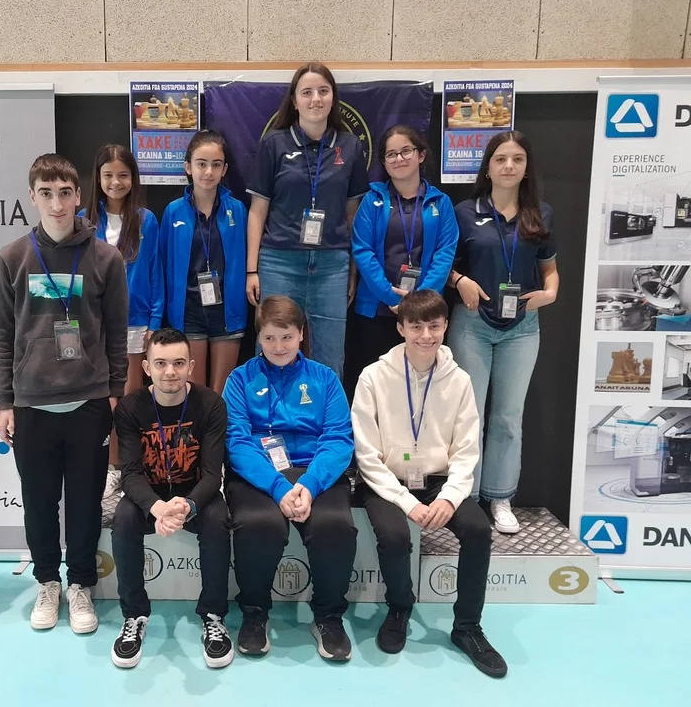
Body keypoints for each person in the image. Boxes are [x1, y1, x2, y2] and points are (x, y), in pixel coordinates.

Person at [0, 154, 128, 634]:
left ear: (78, 197)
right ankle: (47, 582)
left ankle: (81, 584)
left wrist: (114, 391)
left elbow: (117, 331)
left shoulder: (106, 259)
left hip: (89, 401)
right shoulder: (12, 257)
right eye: (46, 193)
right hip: (31, 403)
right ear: (33, 197)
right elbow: (3, 334)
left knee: (86, 503)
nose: (56, 203)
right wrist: (4, 400)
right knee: (39, 502)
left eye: (65, 193)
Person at [351, 290, 506, 678]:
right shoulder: (373, 377)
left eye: (434, 326)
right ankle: (399, 608)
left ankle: (467, 627)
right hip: (385, 482)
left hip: (438, 481)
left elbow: (467, 449)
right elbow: (366, 454)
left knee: (478, 530)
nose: (426, 336)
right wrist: (407, 503)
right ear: (400, 328)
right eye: (416, 326)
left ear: (445, 327)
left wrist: (450, 498)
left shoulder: (460, 380)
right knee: (395, 536)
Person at [223, 295, 356, 662]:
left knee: (335, 525)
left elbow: (338, 439)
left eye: (286, 337)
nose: (278, 346)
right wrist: (279, 487)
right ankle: (254, 613)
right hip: (261, 474)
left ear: (301, 334)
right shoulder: (239, 380)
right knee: (258, 523)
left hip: (315, 471)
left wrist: (309, 485)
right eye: (269, 338)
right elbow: (237, 442)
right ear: (258, 338)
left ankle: (328, 616)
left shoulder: (325, 379)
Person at [445, 131, 559, 534]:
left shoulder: (540, 213)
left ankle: (500, 497)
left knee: (509, 417)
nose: (509, 166)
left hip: (522, 327)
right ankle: (466, 496)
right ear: (488, 167)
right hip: (472, 323)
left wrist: (551, 293)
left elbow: (550, 269)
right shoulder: (464, 212)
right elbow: (444, 264)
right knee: (468, 415)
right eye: (501, 159)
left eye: (517, 159)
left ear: (526, 168)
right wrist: (460, 280)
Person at [110, 328, 233, 669]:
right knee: (123, 519)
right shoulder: (130, 407)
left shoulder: (211, 404)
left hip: (194, 494)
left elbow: (213, 474)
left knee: (217, 519)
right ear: (146, 367)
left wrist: (186, 505)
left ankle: (213, 615)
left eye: (179, 363)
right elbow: (130, 473)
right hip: (151, 497)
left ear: (191, 366)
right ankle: (134, 615)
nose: (170, 372)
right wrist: (158, 507)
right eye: (161, 363)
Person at [245, 62, 369, 380]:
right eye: (307, 92)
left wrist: (353, 268)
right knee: (272, 352)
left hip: (332, 264)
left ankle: (326, 415)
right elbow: (257, 211)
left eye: (323, 91)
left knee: (330, 357)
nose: (316, 99)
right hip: (280, 262)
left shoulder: (350, 146)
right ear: (295, 100)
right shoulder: (274, 143)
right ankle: (266, 412)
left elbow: (353, 214)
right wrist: (252, 270)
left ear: (333, 97)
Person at [347, 125, 458, 396]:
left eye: (406, 151)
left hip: (425, 314)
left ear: (421, 155)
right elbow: (362, 250)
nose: (399, 159)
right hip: (377, 309)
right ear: (384, 163)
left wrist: (418, 300)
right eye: (391, 154)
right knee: (379, 387)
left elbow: (445, 252)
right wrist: (390, 296)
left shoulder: (441, 203)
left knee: (421, 388)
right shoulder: (372, 201)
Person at [80, 144, 163, 465]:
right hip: (93, 322)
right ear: (98, 178)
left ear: (133, 178)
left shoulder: (146, 220)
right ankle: (104, 467)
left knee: (129, 401)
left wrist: (155, 321)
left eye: (123, 175)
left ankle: (126, 467)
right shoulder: (83, 221)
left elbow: (155, 271)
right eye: (108, 175)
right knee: (98, 400)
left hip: (135, 322)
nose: (116, 182)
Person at [161, 130, 247, 393]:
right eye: (201, 164)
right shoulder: (173, 211)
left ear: (224, 170)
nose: (208, 172)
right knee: (194, 392)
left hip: (227, 311)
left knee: (222, 392)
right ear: (188, 167)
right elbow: (163, 264)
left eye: (216, 165)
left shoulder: (237, 210)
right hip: (188, 311)